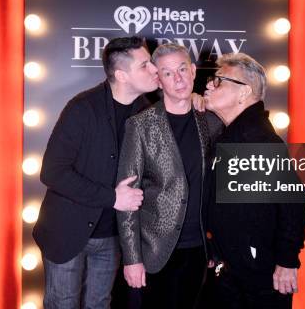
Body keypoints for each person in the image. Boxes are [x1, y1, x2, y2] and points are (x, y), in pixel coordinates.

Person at [33, 36, 159, 309]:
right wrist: (112, 198)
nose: (154, 70)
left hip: (112, 237)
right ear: (122, 75)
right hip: (66, 233)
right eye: (145, 65)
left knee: (99, 304)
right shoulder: (82, 108)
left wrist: (196, 100)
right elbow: (52, 172)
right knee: (63, 304)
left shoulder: (149, 113)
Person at [202, 53, 305, 309]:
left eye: (218, 81)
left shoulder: (257, 140)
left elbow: (294, 204)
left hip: (257, 278)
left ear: (243, 92)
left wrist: (287, 261)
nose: (208, 85)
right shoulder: (232, 136)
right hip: (233, 272)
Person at [116, 43, 217, 309]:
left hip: (200, 251)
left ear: (194, 71)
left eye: (183, 69)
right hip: (155, 253)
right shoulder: (140, 126)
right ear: (158, 79)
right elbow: (128, 199)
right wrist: (132, 258)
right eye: (168, 73)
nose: (179, 78)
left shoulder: (210, 120)